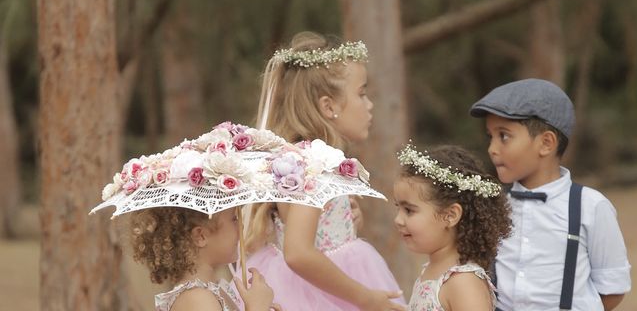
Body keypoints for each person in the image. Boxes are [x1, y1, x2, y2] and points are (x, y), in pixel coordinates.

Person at [243, 31, 405, 310]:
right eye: (362, 94)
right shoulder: (313, 164)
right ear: (328, 106)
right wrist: (366, 299)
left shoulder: (297, 158)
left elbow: (306, 233)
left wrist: (343, 225)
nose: (369, 105)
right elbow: (298, 253)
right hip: (318, 295)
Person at [470, 78, 632, 311]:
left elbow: (613, 288)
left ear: (546, 143)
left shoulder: (591, 206)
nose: (492, 148)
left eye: (503, 136)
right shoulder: (492, 203)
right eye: (490, 136)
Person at [394, 143, 511, 311]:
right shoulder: (432, 270)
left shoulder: (464, 283)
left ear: (450, 216)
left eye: (409, 210)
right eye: (397, 208)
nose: (398, 220)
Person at [129, 206, 278, 311]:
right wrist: (258, 307)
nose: (241, 227)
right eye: (234, 219)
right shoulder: (196, 298)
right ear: (200, 236)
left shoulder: (208, 292)